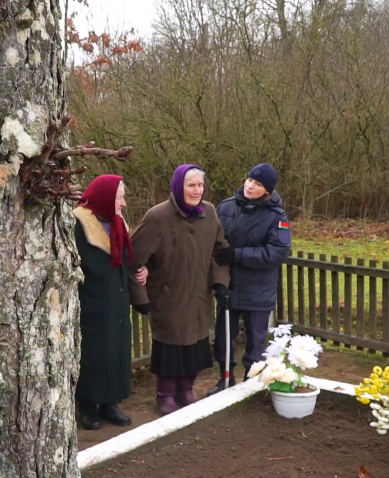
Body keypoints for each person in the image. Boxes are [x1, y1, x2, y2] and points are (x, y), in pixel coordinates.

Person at [129, 165, 230, 415]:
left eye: (200, 185)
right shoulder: (158, 217)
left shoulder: (209, 212)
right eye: (191, 185)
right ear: (178, 186)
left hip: (200, 296)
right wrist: (140, 296)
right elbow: (132, 259)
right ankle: (165, 394)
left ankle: (186, 389)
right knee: (171, 347)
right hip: (168, 297)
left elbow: (220, 251)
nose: (197, 191)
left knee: (196, 345)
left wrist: (220, 282)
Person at [207, 163, 292, 396]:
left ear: (267, 190)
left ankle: (251, 382)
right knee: (224, 337)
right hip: (229, 285)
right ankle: (225, 379)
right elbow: (213, 242)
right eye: (249, 180)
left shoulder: (277, 217)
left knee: (256, 342)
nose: (250, 186)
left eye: (258, 184)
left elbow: (276, 253)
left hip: (259, 288)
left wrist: (236, 254)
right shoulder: (225, 207)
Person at [73, 174, 148, 430]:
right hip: (90, 303)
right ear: (104, 197)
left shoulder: (117, 223)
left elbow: (125, 261)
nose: (124, 204)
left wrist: (141, 270)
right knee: (93, 354)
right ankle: (88, 406)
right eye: (119, 198)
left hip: (116, 300)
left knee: (115, 352)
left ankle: (110, 403)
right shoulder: (78, 223)